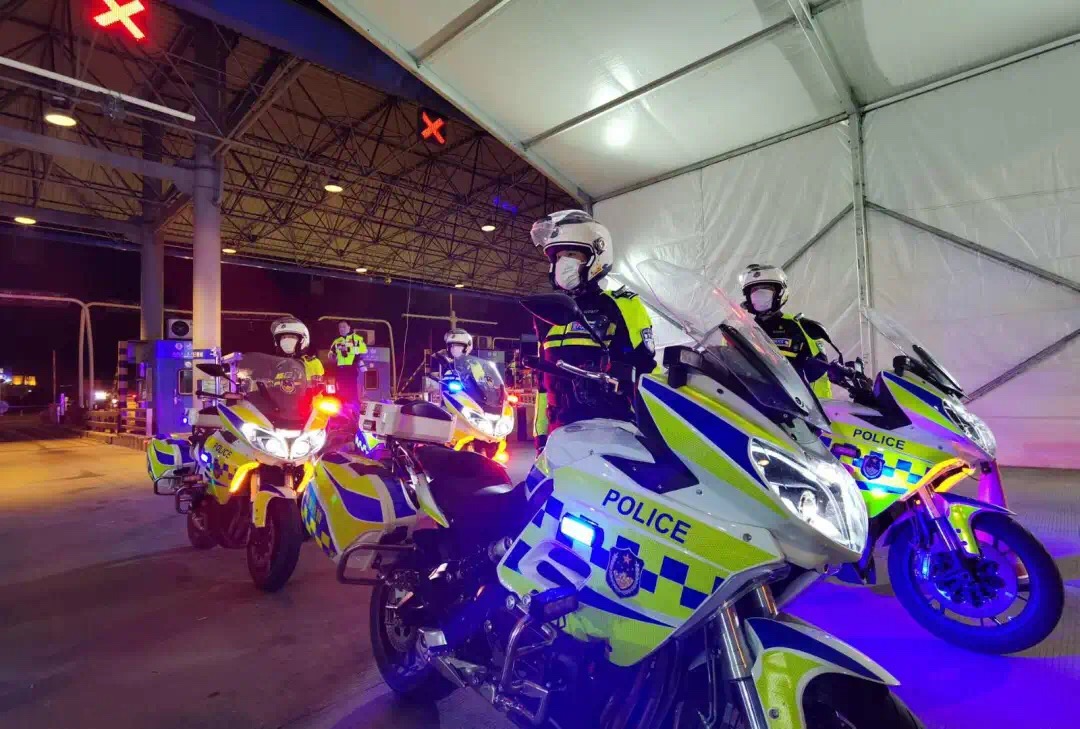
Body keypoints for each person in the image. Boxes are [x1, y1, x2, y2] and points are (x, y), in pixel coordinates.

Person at [530, 209, 657, 451]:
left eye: (570, 254)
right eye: (557, 257)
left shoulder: (622, 305)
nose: (562, 263)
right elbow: (543, 384)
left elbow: (645, 372)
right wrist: (540, 437)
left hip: (610, 433)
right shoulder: (549, 313)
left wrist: (652, 433)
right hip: (560, 434)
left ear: (596, 256)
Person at [738, 263, 838, 400]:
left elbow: (819, 374)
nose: (759, 294)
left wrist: (821, 407)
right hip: (750, 405)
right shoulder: (740, 331)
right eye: (754, 290)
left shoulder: (804, 327)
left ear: (779, 293)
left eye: (766, 288)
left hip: (797, 406)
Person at [330, 320, 367, 408]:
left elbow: (364, 350)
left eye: (344, 327)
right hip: (340, 370)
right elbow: (331, 352)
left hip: (351, 368)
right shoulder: (337, 341)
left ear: (349, 327)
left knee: (351, 392)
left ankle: (354, 411)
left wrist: (349, 349)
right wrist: (331, 355)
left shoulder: (356, 338)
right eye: (340, 327)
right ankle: (343, 410)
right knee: (341, 392)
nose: (341, 329)